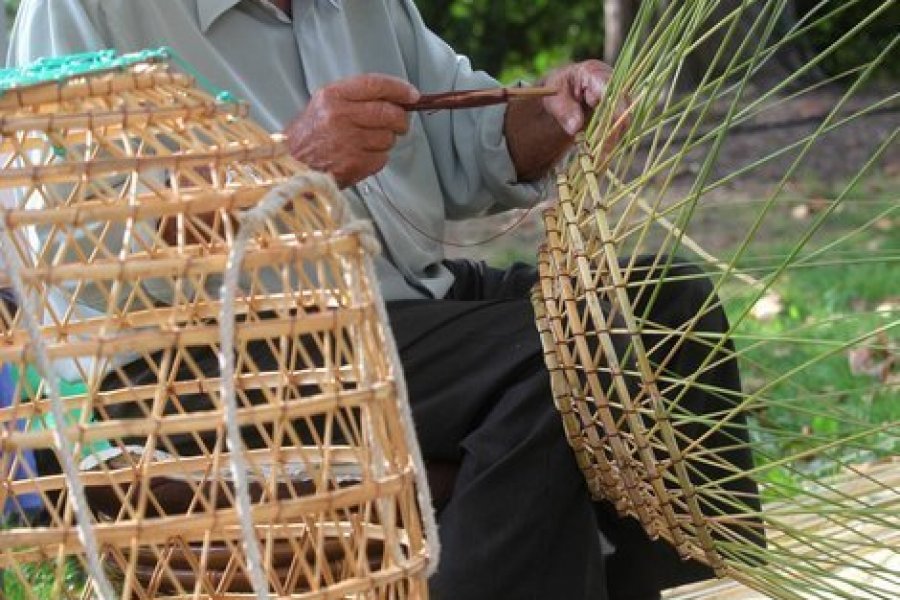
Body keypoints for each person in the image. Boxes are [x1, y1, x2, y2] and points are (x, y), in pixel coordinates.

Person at [9, 1, 759, 598]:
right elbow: (63, 249)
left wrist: (553, 112)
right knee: (556, 361)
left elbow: (470, 149)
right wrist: (280, 166)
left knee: (663, 301)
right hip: (200, 357)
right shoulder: (86, 9)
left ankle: (682, 586)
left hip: (397, 306)